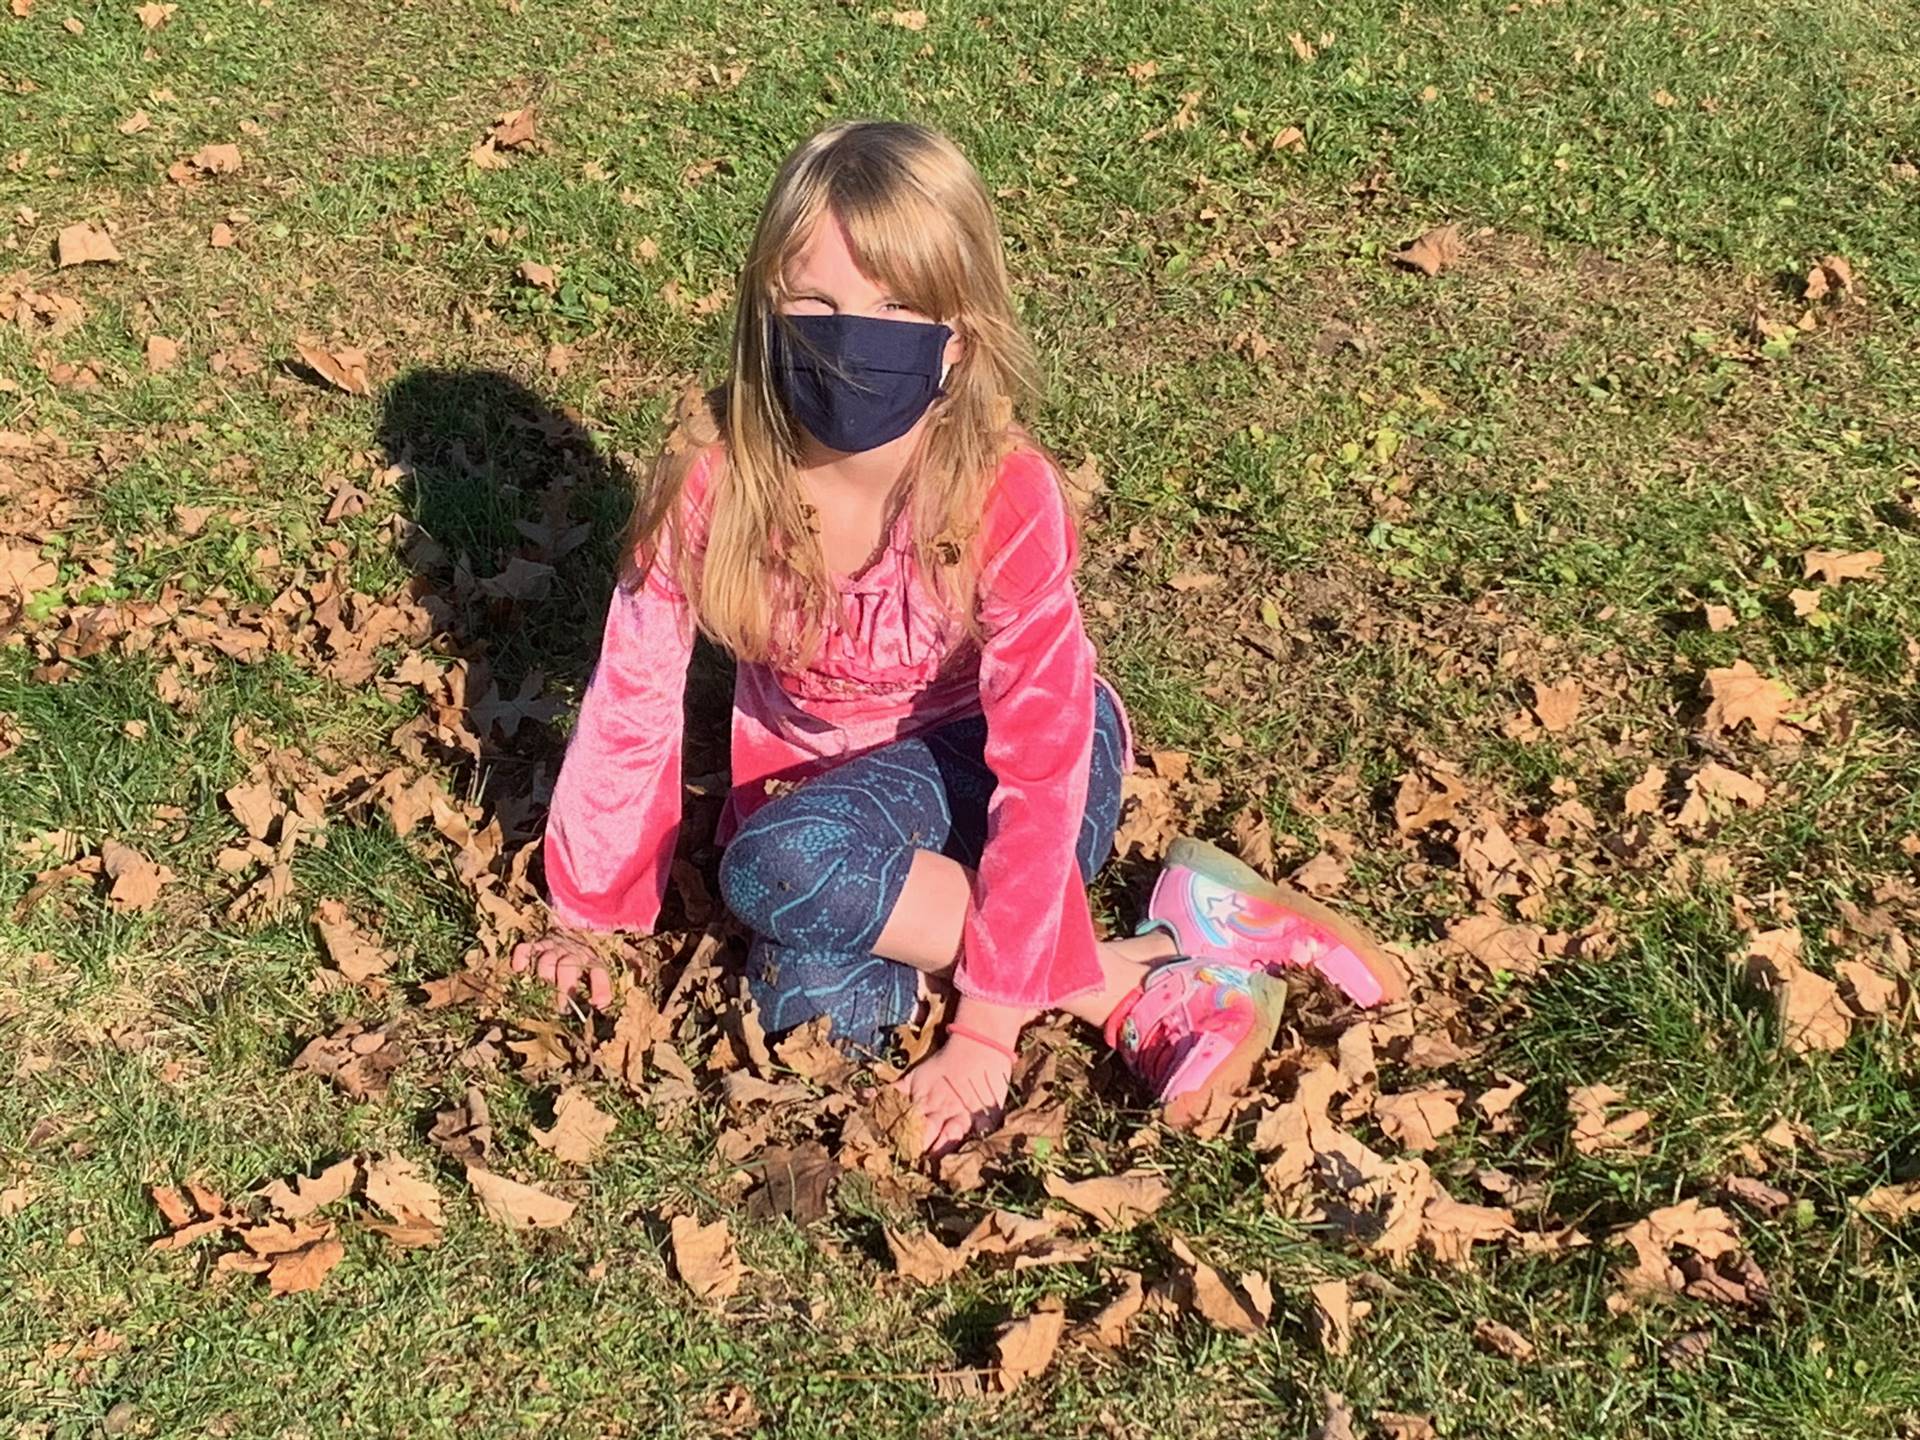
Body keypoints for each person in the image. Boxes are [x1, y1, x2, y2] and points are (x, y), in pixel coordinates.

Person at [511, 120, 1406, 1156]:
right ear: (764, 313)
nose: (855, 339)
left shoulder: (1001, 491)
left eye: (897, 310)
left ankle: (1094, 973)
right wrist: (589, 916)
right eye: (817, 304)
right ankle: (1150, 962)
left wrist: (986, 1028)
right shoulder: (716, 478)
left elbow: (1041, 750)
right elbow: (633, 695)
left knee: (778, 867)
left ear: (961, 337)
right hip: (818, 798)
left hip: (993, 775)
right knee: (819, 1019)